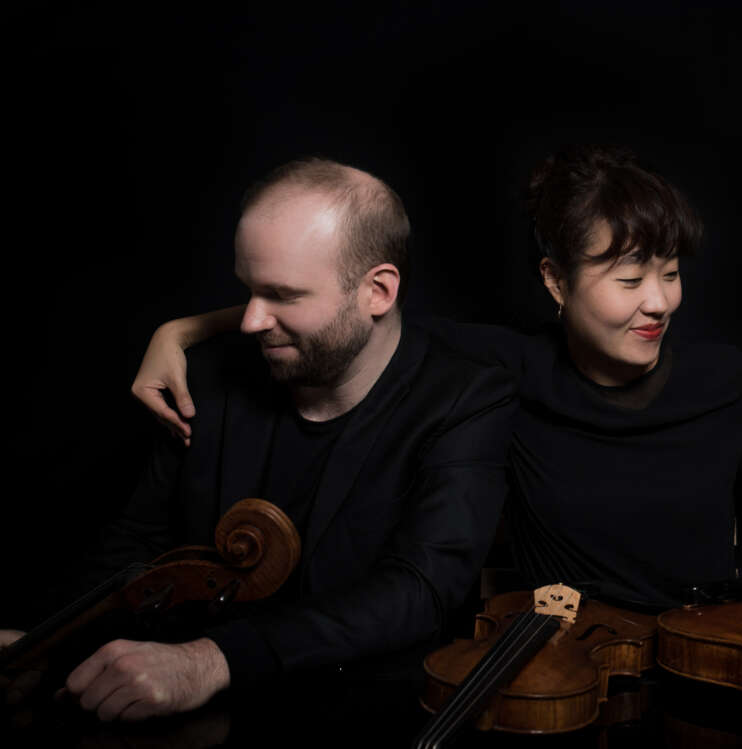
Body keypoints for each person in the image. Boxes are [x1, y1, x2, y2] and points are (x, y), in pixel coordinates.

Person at [127, 145, 742, 611]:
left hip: (707, 657)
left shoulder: (733, 382)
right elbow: (344, 310)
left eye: (671, 274)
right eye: (630, 280)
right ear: (555, 280)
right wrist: (182, 331)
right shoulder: (501, 368)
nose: (660, 301)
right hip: (567, 675)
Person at [1, 158, 515, 720]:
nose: (249, 321)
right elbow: (137, 543)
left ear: (378, 291)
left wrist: (212, 660)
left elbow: (420, 589)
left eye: (283, 295)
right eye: (247, 290)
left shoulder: (466, 400)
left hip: (359, 715)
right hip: (186, 712)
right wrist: (43, 642)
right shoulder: (207, 376)